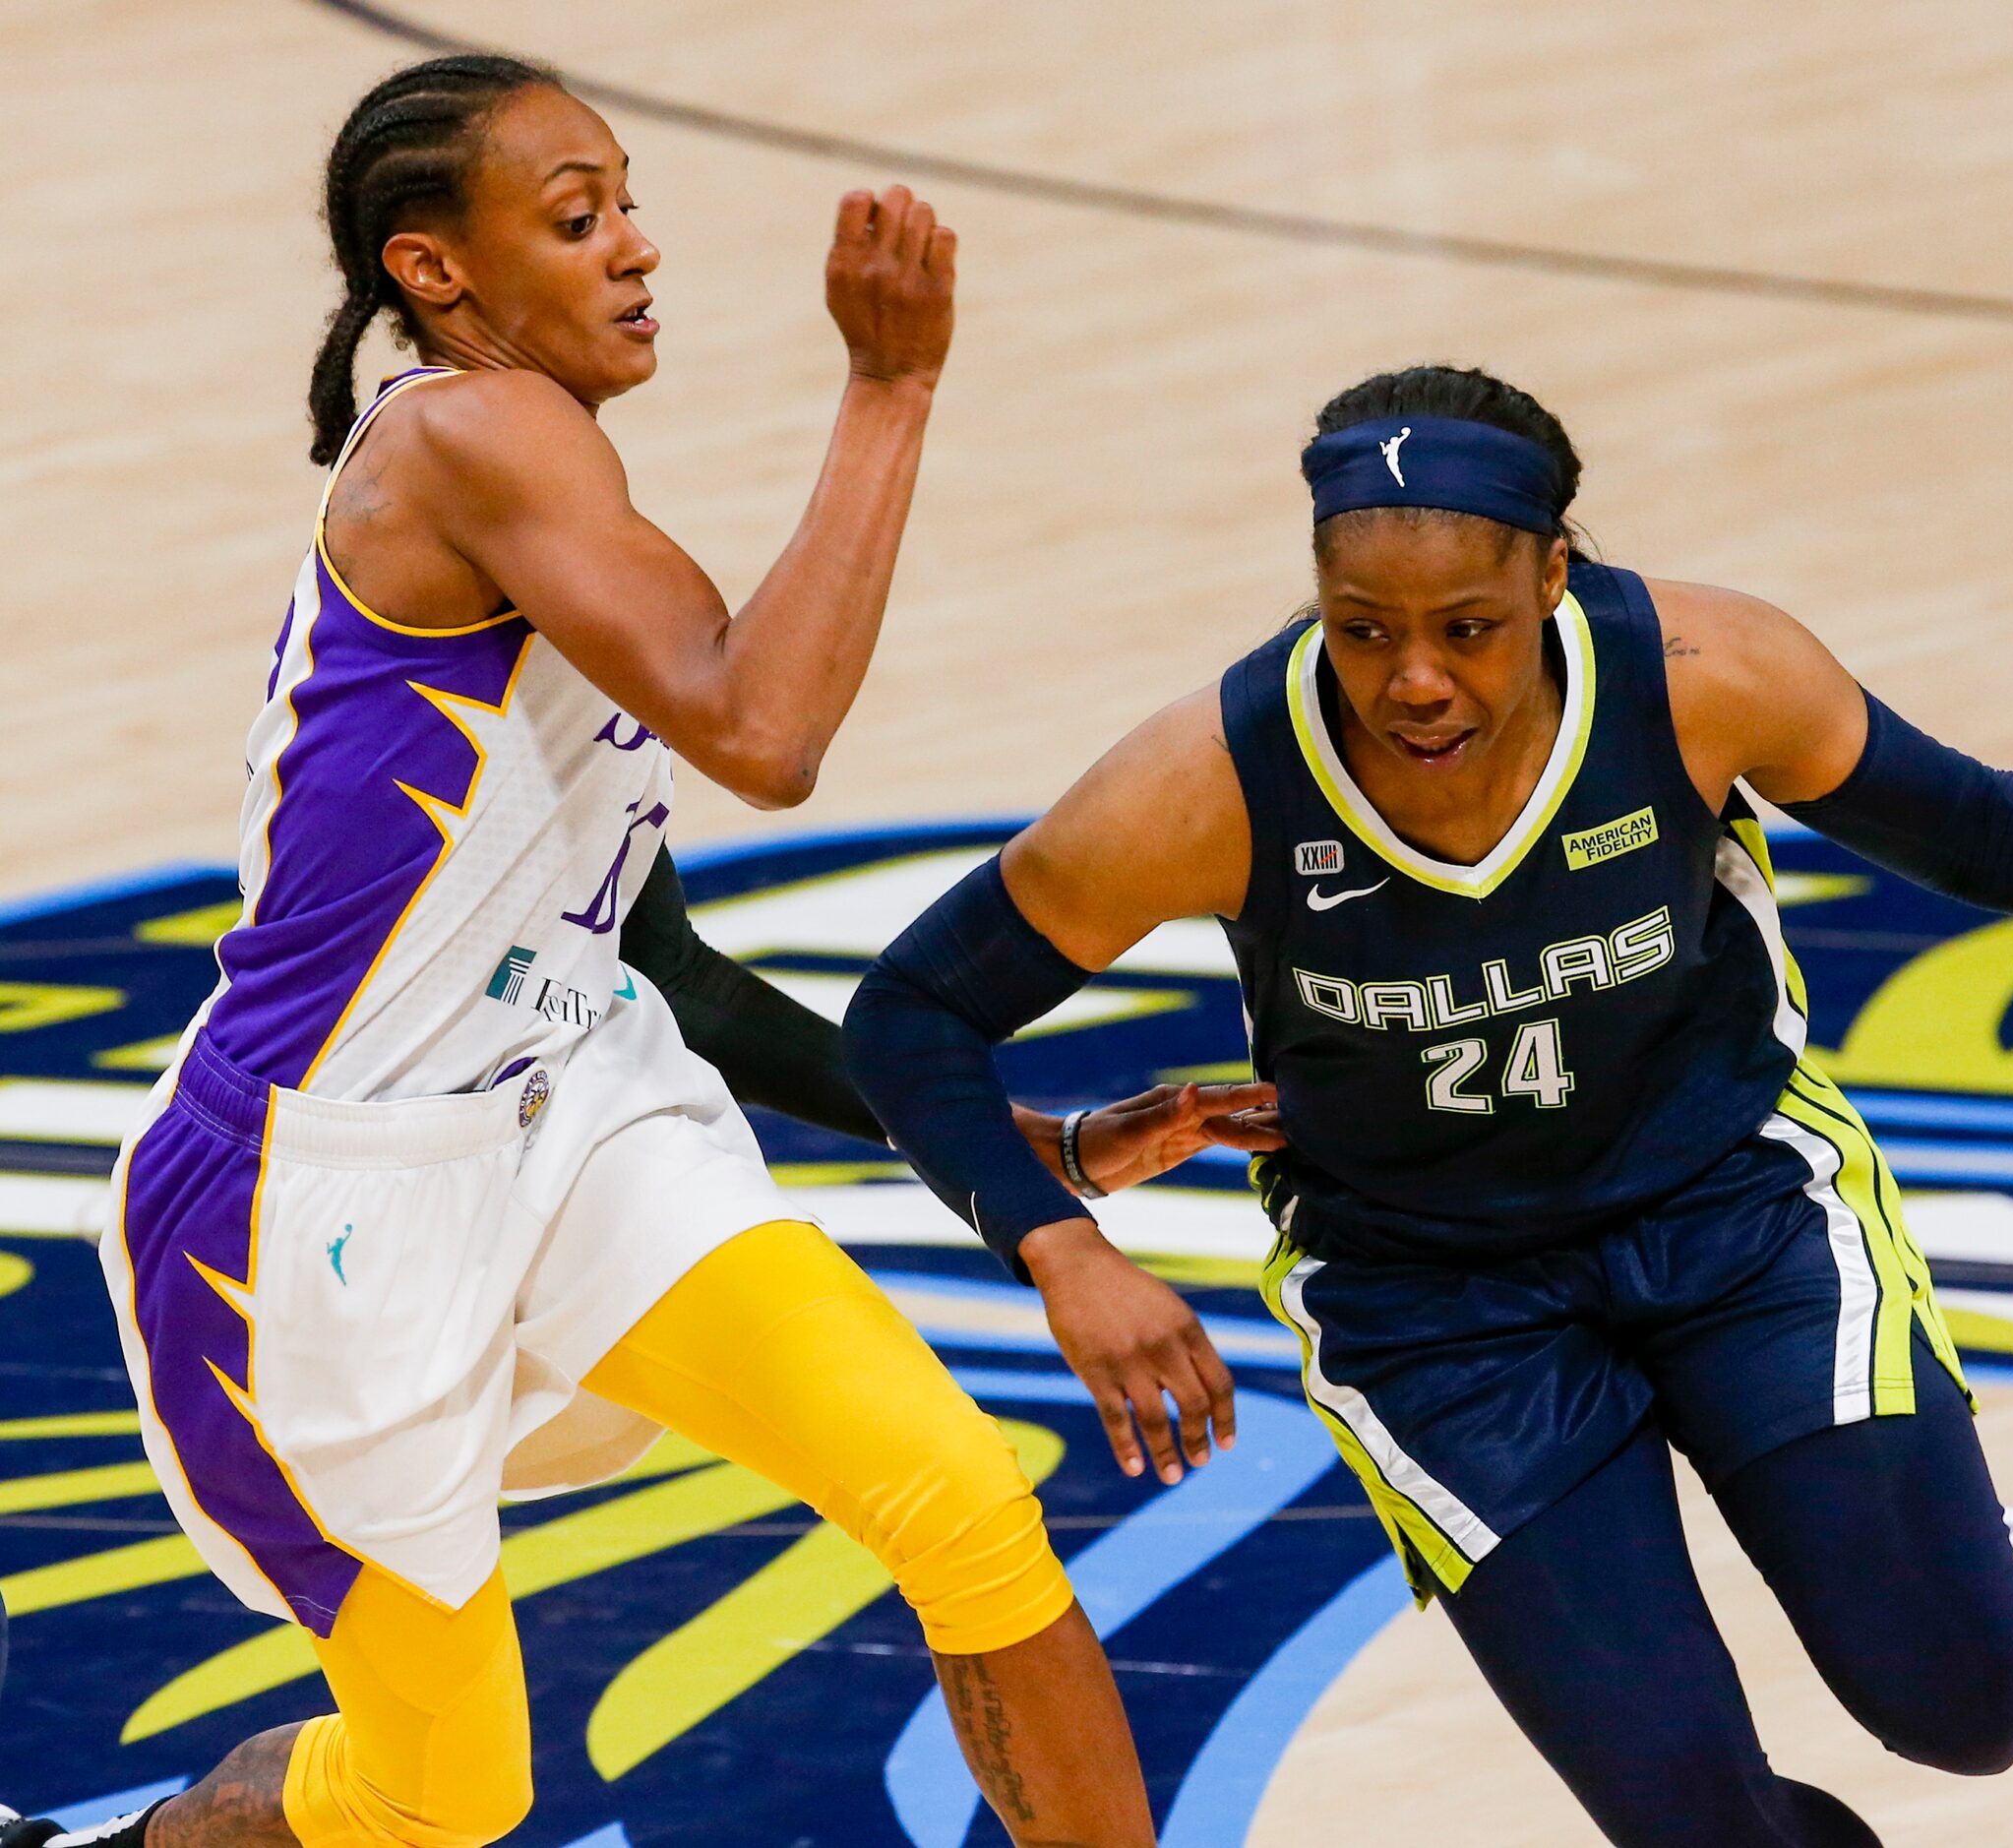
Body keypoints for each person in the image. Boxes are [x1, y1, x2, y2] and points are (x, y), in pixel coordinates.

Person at [835, 364, 2013, 1847]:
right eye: (1362, 627)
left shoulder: (1701, 676)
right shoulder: (1206, 782)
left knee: (1955, 1699)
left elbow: (1970, 823)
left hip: (1734, 1212)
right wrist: (1063, 1246)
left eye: (1466, 626)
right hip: (1436, 1306)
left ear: (1555, 575)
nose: (1412, 678)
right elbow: (912, 1013)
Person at [0, 54, 1267, 1848]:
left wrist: (1015, 1152)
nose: (637, 250)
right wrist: (892, 386)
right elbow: (768, 731)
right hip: (310, 1202)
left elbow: (663, 964)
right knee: (442, 1796)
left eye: (628, 206)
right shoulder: (465, 436)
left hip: (568, 1114)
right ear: (438, 274)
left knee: (958, 1490)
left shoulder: (555, 491)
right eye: (578, 218)